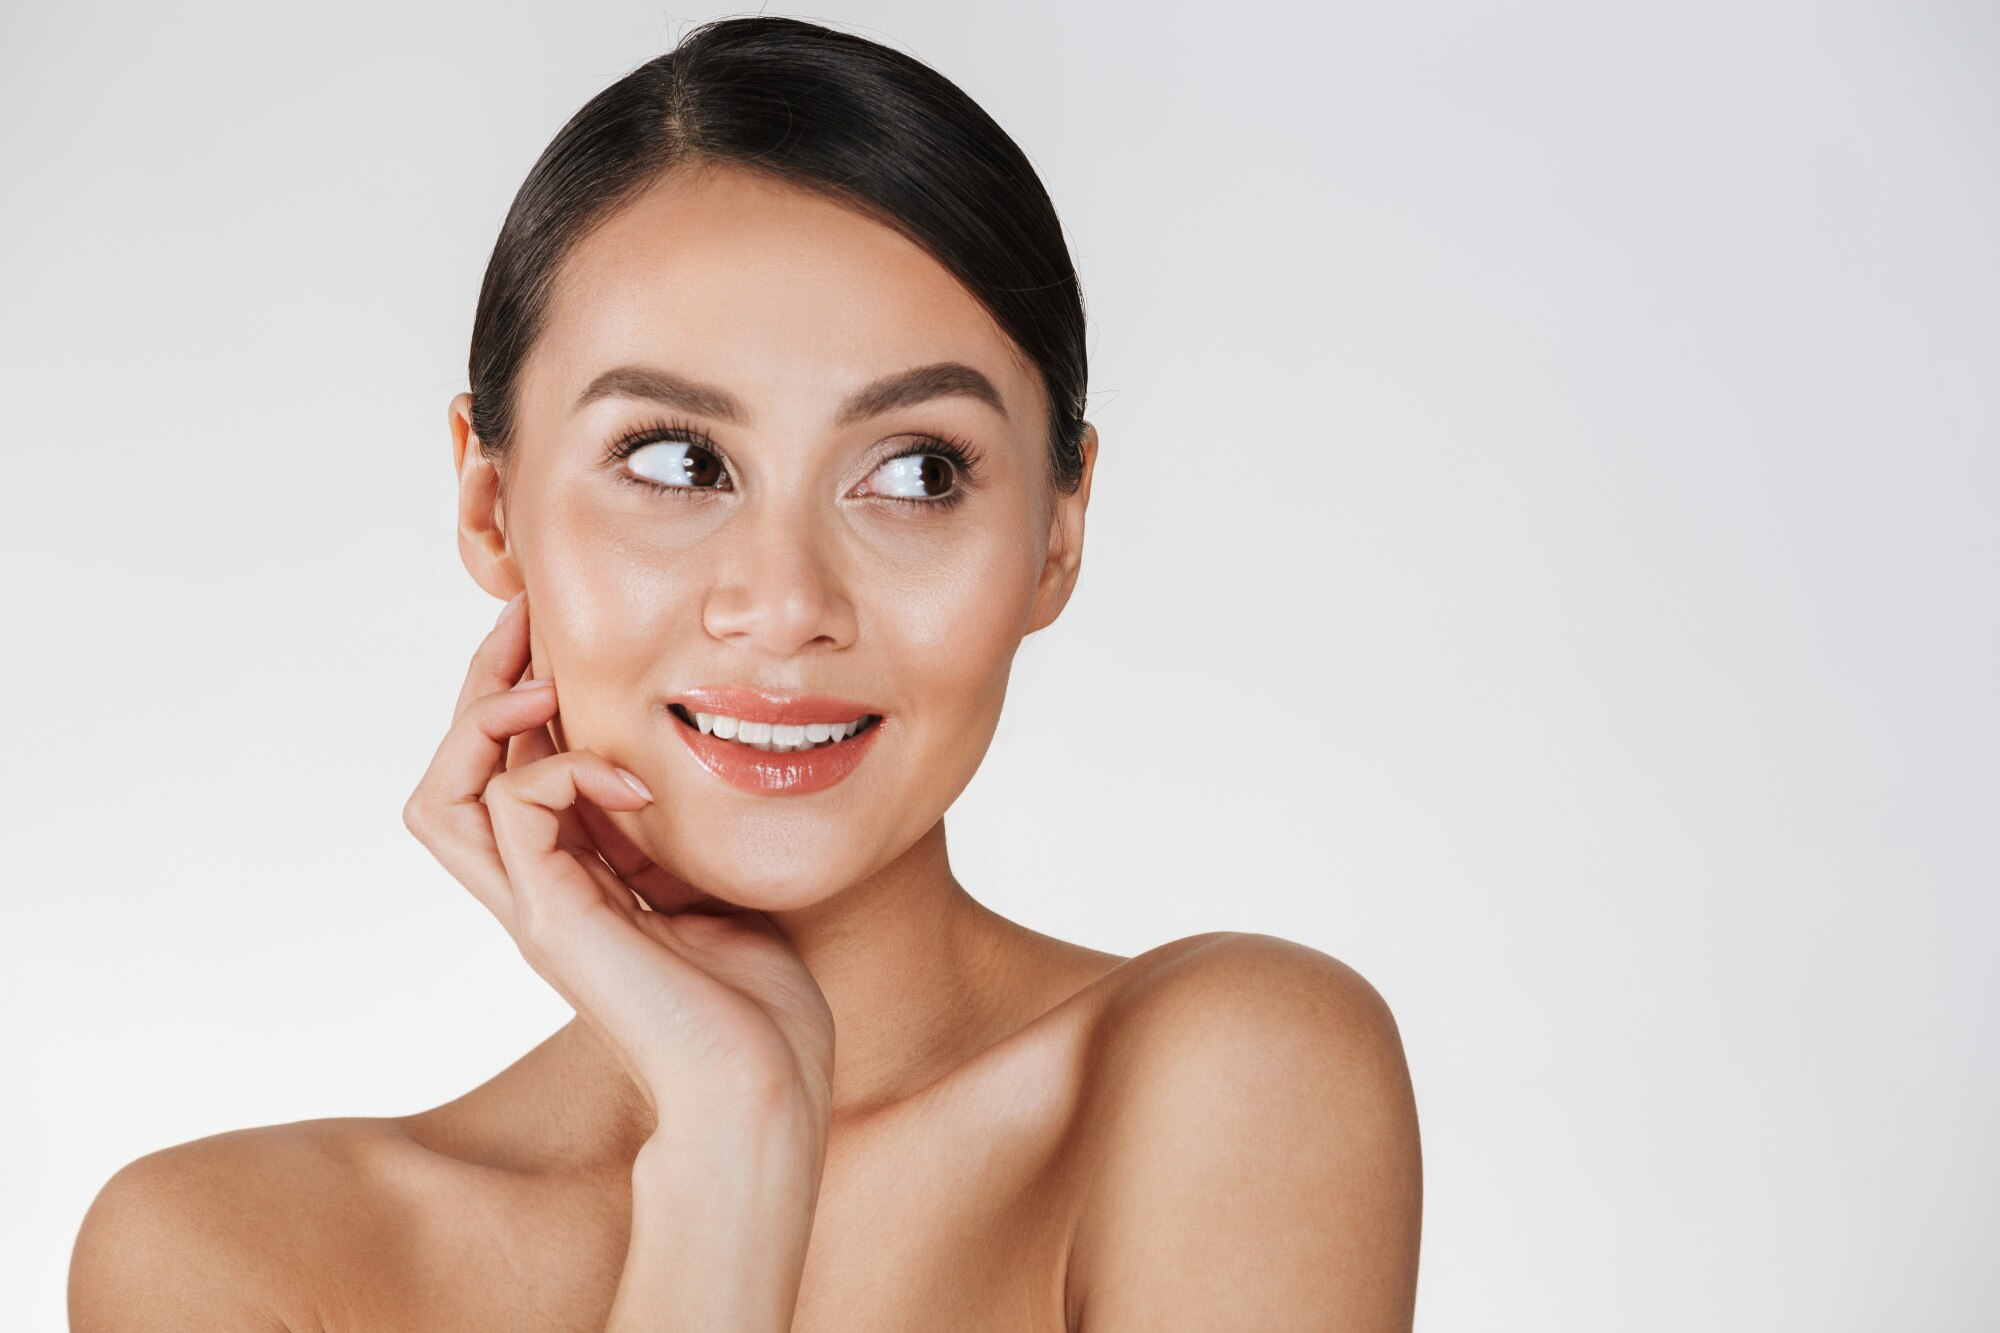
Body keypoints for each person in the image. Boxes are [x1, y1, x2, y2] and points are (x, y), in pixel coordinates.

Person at [68, 16, 1422, 1330]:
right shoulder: (229, 1260)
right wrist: (733, 1139)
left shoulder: (1236, 1083)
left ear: (1056, 537)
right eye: (677, 461)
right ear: (490, 505)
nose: (785, 608)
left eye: (917, 471)